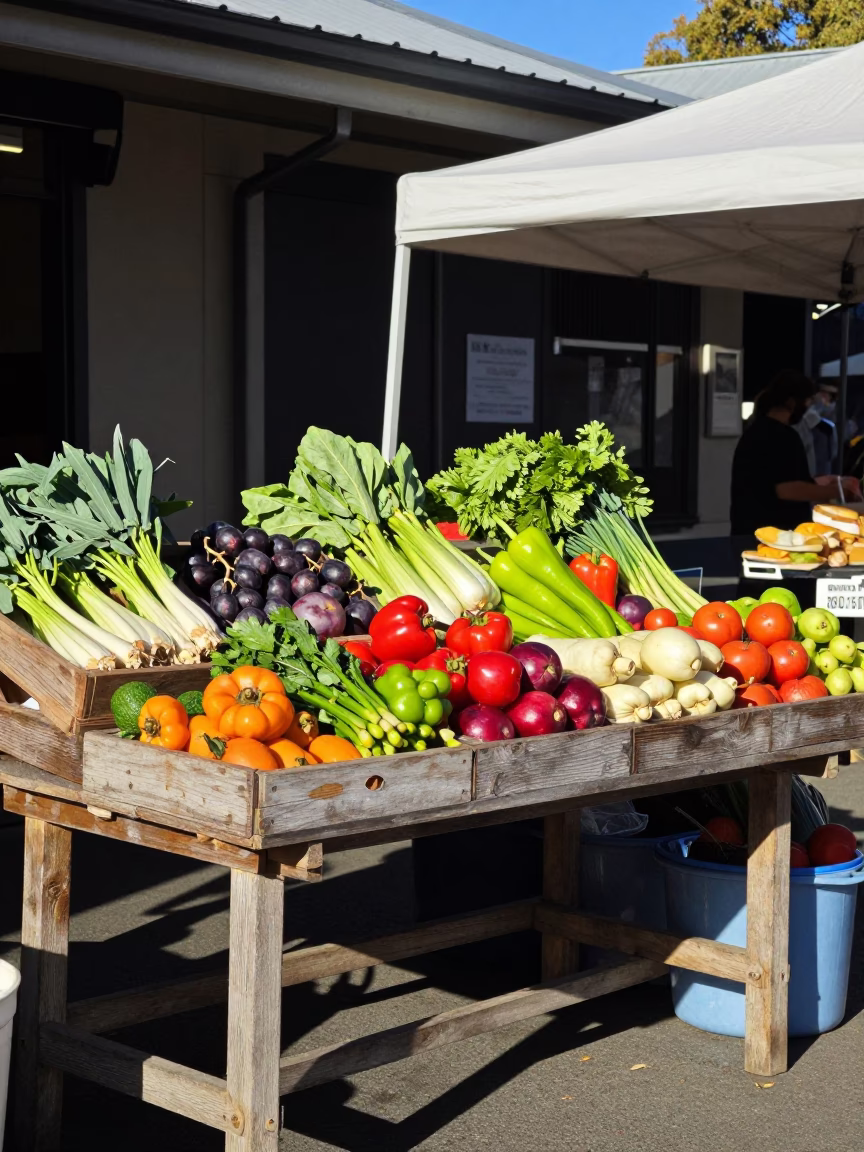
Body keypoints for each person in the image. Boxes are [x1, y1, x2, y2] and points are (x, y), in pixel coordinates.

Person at [730, 370, 859, 536]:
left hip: (748, 529)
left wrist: (822, 482)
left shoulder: (755, 430)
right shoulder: (782, 436)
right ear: (792, 402)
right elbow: (788, 489)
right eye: (807, 402)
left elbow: (773, 481)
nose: (808, 408)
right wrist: (840, 493)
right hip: (775, 535)